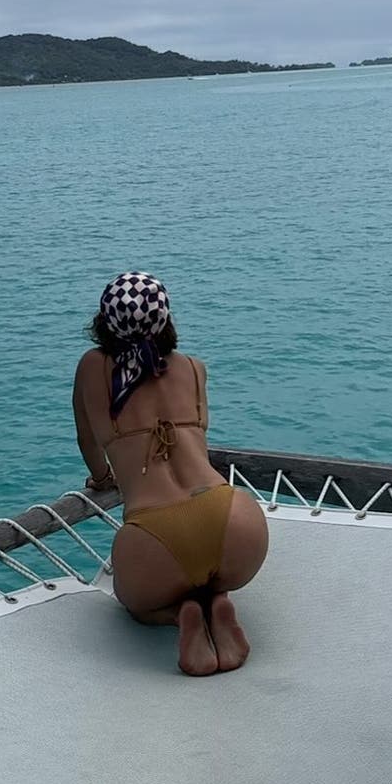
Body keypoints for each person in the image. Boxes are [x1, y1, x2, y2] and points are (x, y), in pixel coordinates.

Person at [72, 272, 269, 676]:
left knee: (134, 604)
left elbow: (87, 440)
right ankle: (216, 596)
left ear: (104, 321)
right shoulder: (194, 368)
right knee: (209, 567)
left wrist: (102, 479)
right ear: (165, 319)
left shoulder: (94, 367)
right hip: (235, 519)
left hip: (153, 534)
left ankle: (179, 615)